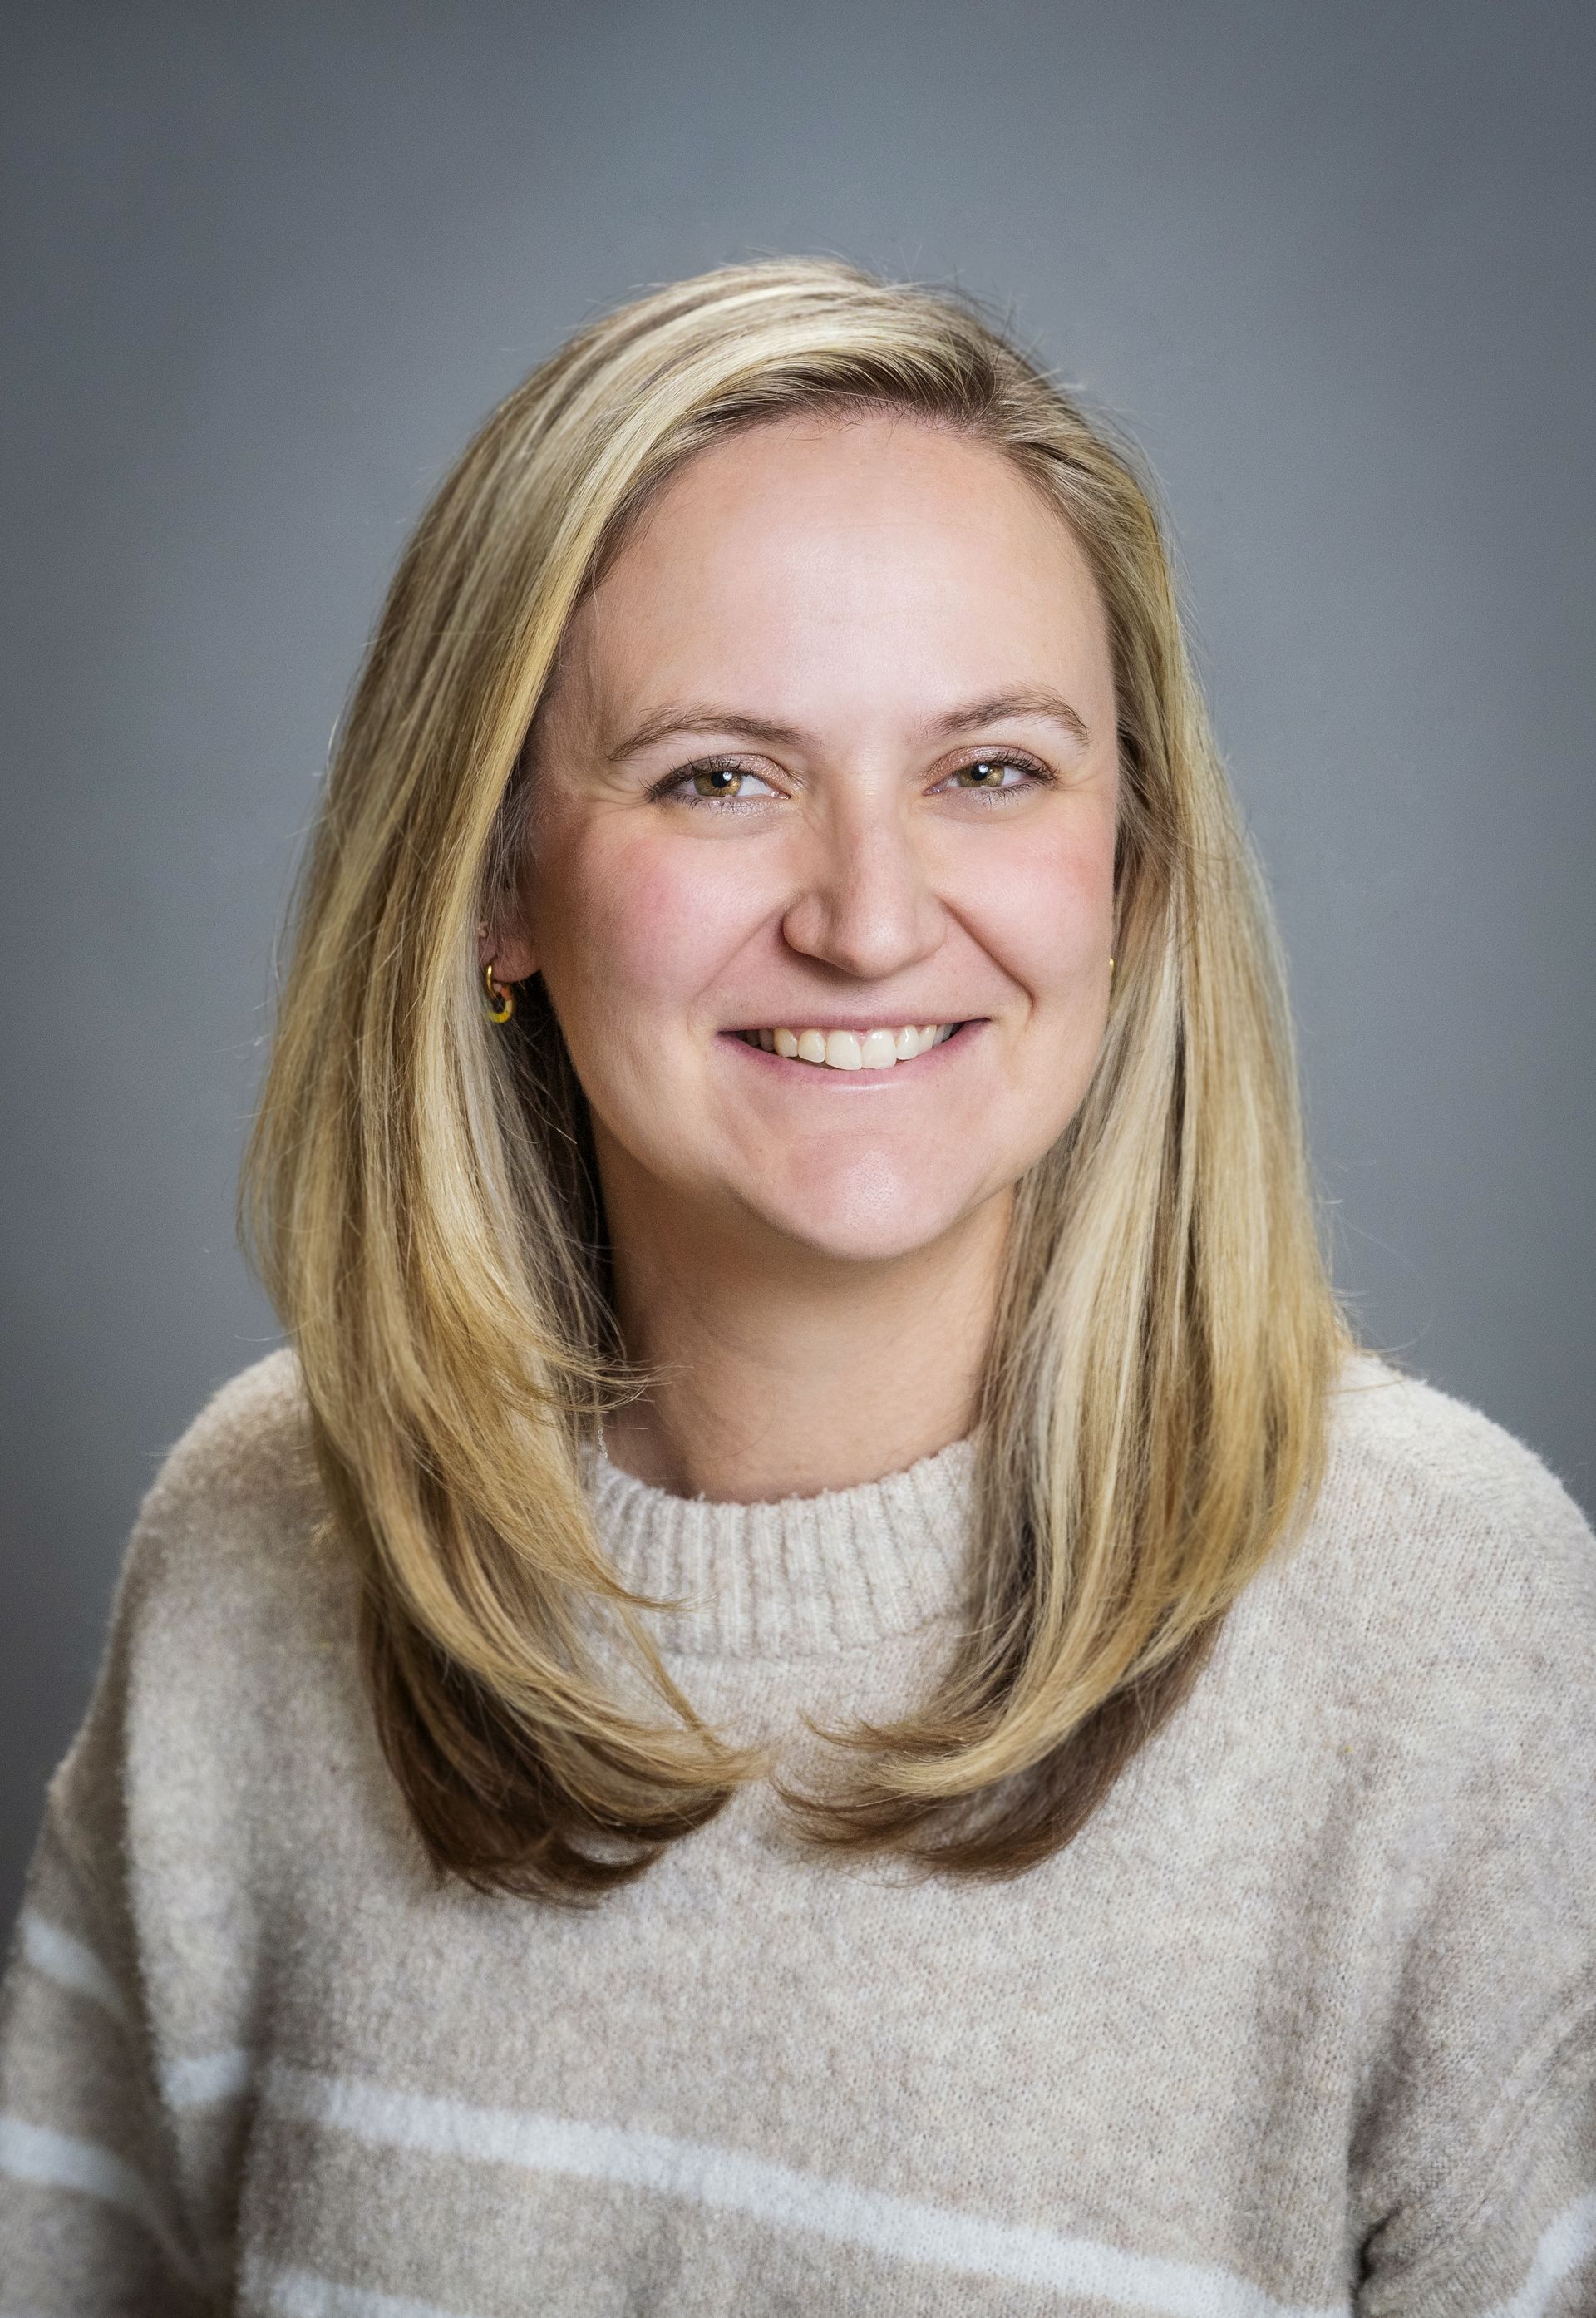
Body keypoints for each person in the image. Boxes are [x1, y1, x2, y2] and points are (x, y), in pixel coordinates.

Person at [1, 256, 1591, 2317]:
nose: (866, 915)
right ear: (494, 883)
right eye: (715, 775)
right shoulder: (255, 1540)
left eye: (994, 768)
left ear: (1135, 862)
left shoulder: (1449, 1629)